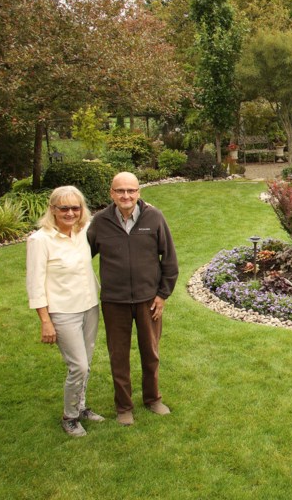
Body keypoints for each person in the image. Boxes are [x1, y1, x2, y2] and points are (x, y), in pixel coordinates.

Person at [88, 172, 179, 426]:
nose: (125, 196)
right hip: (114, 301)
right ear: (111, 193)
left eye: (131, 190)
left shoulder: (154, 217)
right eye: (120, 191)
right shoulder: (100, 222)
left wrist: (162, 295)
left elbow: (169, 260)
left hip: (148, 300)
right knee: (119, 356)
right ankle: (124, 407)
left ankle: (152, 399)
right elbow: (82, 257)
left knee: (150, 352)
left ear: (139, 192)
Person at [26, 186, 104, 438]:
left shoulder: (83, 231)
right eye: (64, 208)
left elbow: (114, 214)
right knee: (78, 366)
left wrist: (145, 208)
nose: (70, 213)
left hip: (90, 305)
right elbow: (35, 284)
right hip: (63, 311)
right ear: (53, 210)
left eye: (75, 207)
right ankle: (69, 417)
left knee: (87, 362)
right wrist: (45, 321)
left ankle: (81, 407)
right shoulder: (40, 240)